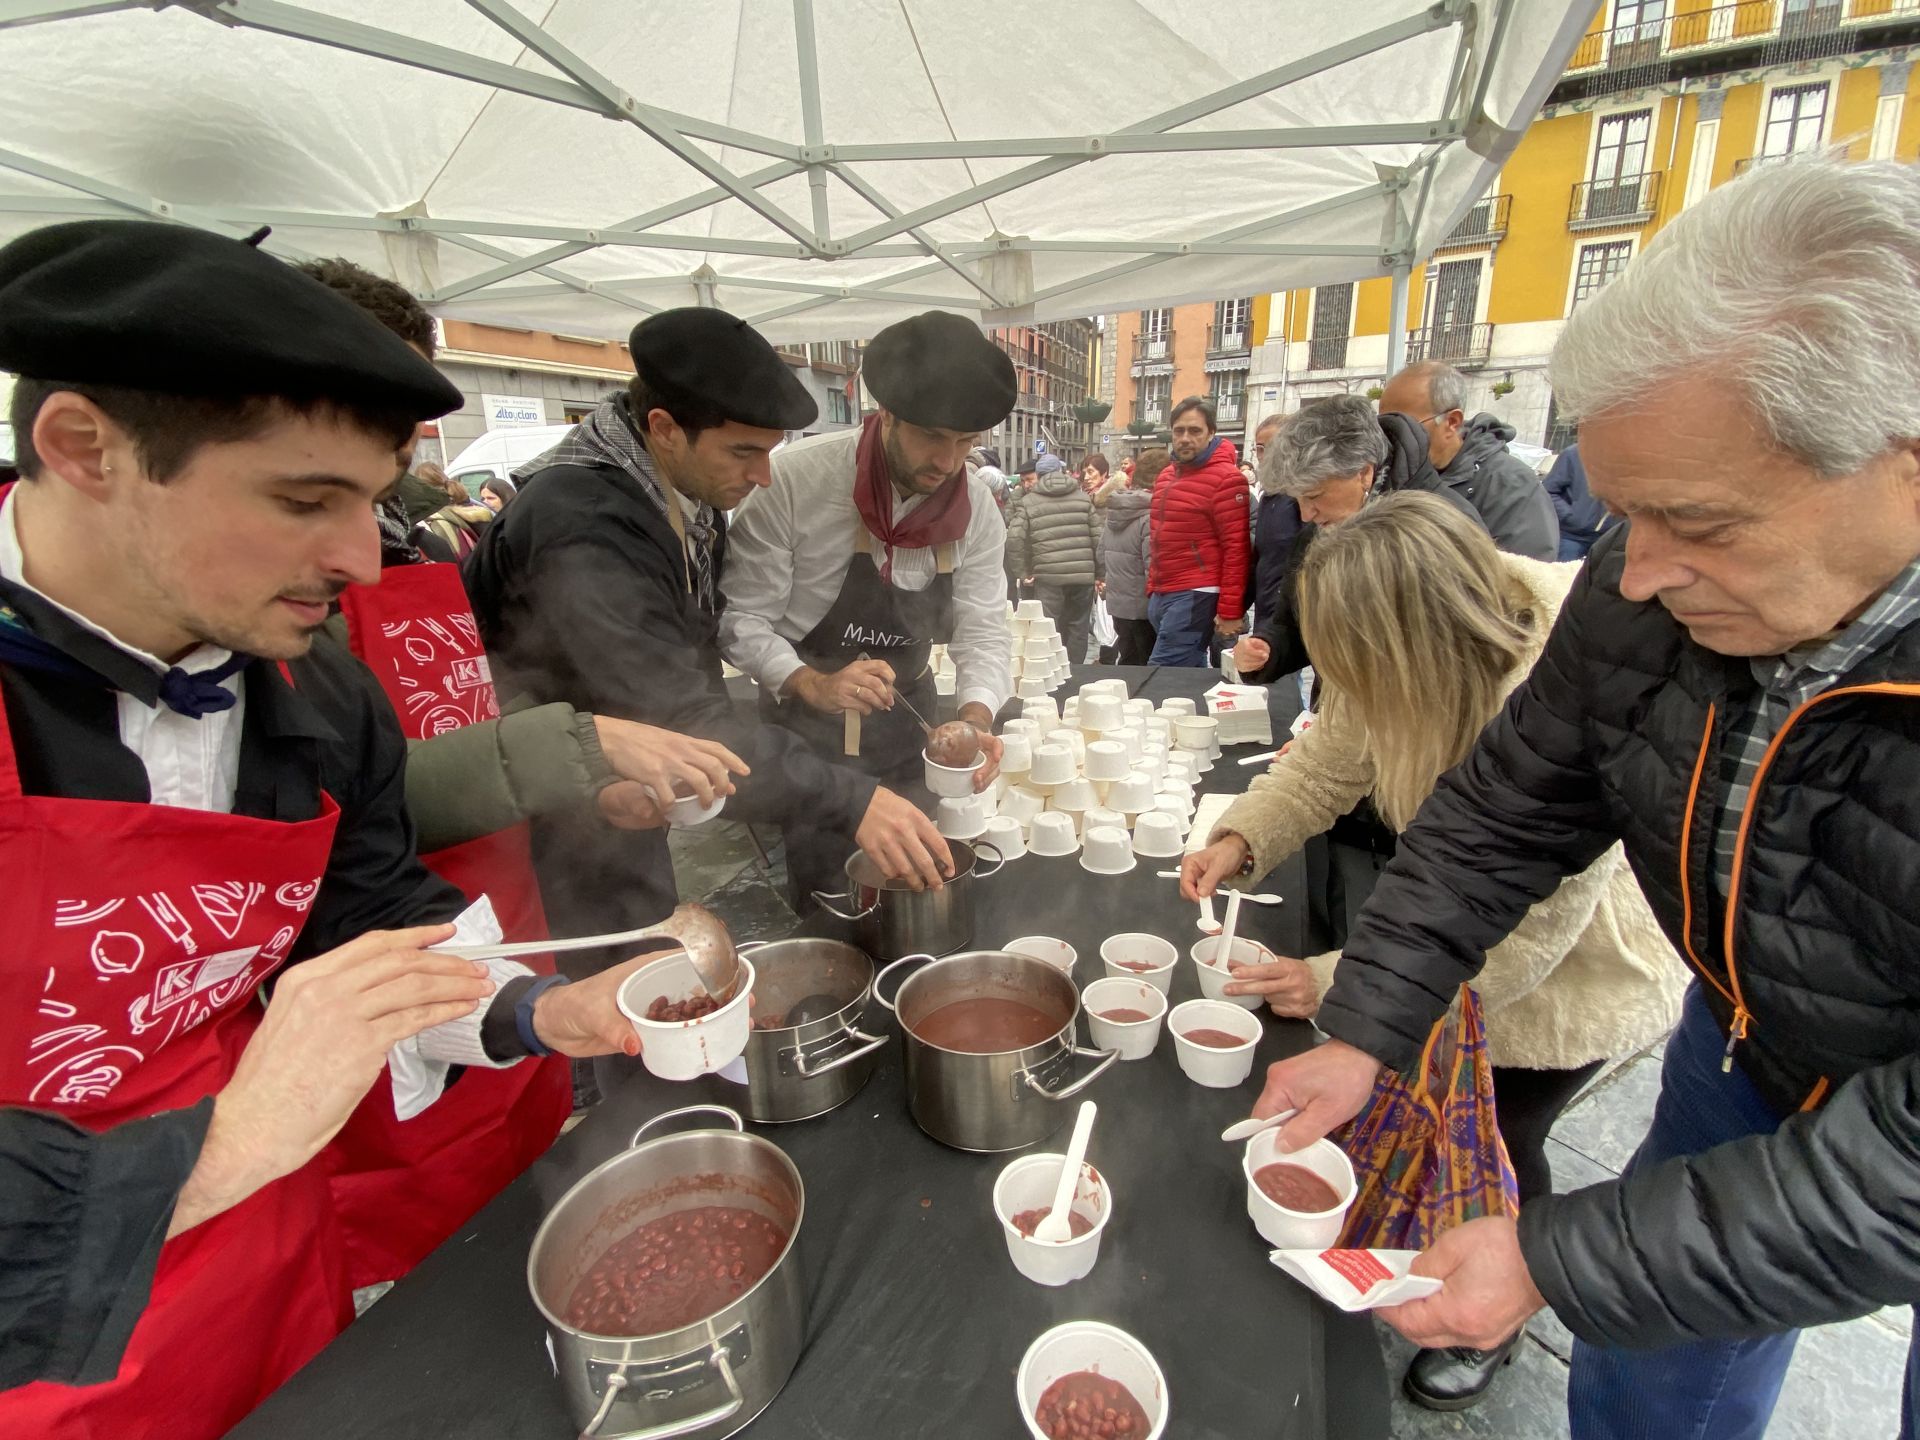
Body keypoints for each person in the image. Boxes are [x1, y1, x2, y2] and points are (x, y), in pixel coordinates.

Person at [1248, 159, 1920, 1440]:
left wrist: (1555, 1259)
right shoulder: (1640, 581)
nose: (1640, 570)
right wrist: (1365, 1024)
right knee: (1650, 1371)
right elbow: (1504, 814)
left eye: (1695, 522)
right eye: (1622, 516)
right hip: (1745, 1042)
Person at [0, 220, 670, 1440]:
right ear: (83, 448)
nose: (362, 561)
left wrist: (529, 1010)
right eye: (305, 499)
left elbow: (368, 907)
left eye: (372, 503)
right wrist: (215, 1149)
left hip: (274, 1273)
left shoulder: (316, 690)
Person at [1184, 493, 1684, 1412]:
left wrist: (1330, 979)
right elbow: (1329, 761)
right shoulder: (1394, 665)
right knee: (1423, 1100)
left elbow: (1522, 938)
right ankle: (1435, 1258)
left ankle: (1498, 1313)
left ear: (1411, 647)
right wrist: (1242, 835)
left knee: (1503, 1134)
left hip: (1575, 973)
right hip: (1454, 937)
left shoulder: (1558, 696)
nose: (1350, 690)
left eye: (1355, 668)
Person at [300, 256, 745, 1282]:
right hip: (382, 971)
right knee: (427, 1262)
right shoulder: (564, 509)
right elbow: (352, 807)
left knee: (527, 1181)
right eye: (386, 409)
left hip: (487, 918)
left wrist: (590, 787)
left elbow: (471, 704)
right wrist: (581, 743)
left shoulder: (408, 540)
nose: (413, 438)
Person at [467, 308, 950, 968]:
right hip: (541, 821)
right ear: (664, 429)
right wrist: (853, 797)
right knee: (589, 989)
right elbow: (675, 712)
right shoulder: (583, 525)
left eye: (770, 452)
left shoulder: (678, 493)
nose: (762, 478)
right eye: (743, 452)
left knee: (638, 961)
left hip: (622, 796)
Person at [720, 310, 1014, 907]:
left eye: (967, 443)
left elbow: (983, 630)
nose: (949, 461)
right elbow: (739, 617)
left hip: (911, 725)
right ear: (888, 417)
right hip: (810, 737)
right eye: (934, 436)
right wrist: (810, 682)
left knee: (920, 875)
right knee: (832, 890)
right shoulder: (796, 484)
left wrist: (976, 723)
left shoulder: (976, 508)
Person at [1380, 361, 1559, 561]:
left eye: (1403, 426)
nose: (1391, 440)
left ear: (1451, 422)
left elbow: (1525, 580)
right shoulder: (1390, 476)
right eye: (1385, 427)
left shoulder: (1513, 486)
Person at [1145, 395, 1250, 666]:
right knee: (1188, 672)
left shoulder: (1227, 478)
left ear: (1211, 433)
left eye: (1195, 431)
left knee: (1163, 674)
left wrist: (1229, 610)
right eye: (1179, 430)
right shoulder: (1167, 475)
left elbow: (1237, 548)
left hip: (1197, 592)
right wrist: (1152, 588)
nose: (1185, 438)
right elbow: (1158, 538)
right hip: (1164, 591)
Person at [1008, 452, 1103, 664]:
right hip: (1082, 577)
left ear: (1039, 476)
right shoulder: (1083, 498)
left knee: (1049, 627)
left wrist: (1023, 572)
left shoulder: (1029, 502)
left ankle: (1053, 672)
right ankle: (1076, 671)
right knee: (1078, 627)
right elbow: (1098, 539)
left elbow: (1014, 539)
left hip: (1049, 577)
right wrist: (1100, 573)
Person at [1099, 448, 1156, 666]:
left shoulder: (1116, 509)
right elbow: (1151, 565)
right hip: (1143, 606)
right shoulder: (1149, 514)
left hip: (1118, 603)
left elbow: (1101, 553)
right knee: (1144, 663)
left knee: (1128, 656)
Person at [1541, 444, 1613, 561]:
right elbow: (1548, 491)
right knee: (1563, 578)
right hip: (1571, 537)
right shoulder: (1573, 454)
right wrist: (1571, 516)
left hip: (1608, 538)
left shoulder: (1626, 457)